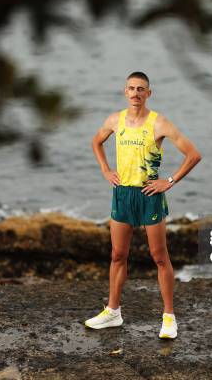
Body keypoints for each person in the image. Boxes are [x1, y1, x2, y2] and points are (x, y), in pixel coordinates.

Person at [85, 71, 201, 339]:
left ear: (148, 93)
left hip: (149, 195)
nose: (135, 93)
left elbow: (193, 154)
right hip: (123, 194)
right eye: (131, 88)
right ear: (125, 92)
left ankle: (169, 317)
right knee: (117, 255)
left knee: (159, 257)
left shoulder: (159, 123)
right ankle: (113, 311)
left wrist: (169, 181)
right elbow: (96, 141)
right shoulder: (115, 120)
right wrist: (105, 169)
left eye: (141, 89)